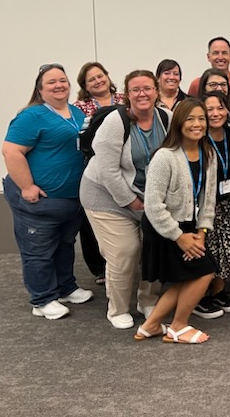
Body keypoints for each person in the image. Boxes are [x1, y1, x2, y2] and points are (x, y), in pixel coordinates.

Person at [2, 63, 93, 320]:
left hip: (70, 200)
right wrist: (27, 187)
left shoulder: (76, 112)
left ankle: (65, 288)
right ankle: (42, 299)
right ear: (40, 89)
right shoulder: (31, 116)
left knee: (65, 245)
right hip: (39, 201)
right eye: (51, 82)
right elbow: (11, 151)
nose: (59, 85)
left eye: (62, 80)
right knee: (38, 251)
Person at [79, 70, 167, 329]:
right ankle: (117, 309)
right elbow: (108, 170)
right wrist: (131, 202)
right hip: (105, 195)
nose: (142, 94)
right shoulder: (115, 122)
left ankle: (147, 300)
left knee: (155, 246)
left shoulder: (167, 118)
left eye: (147, 88)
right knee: (125, 250)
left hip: (147, 196)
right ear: (127, 94)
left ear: (156, 91)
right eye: (135, 89)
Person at [139, 98, 219, 344]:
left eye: (201, 119)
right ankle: (178, 326)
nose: (197, 124)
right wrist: (179, 237)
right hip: (163, 229)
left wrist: (202, 233)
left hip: (190, 228)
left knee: (190, 276)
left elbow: (208, 200)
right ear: (179, 123)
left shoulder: (209, 154)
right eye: (190, 119)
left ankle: (151, 325)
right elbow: (153, 206)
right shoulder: (164, 157)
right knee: (205, 271)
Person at [74, 61, 125, 285]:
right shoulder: (78, 108)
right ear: (85, 85)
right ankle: (99, 268)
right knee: (92, 219)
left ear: (107, 76)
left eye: (100, 76)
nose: (98, 81)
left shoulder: (124, 100)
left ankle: (125, 262)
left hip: (124, 164)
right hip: (92, 166)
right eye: (91, 79)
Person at [193, 91, 230, 317]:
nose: (215, 113)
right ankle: (200, 297)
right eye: (209, 109)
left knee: (229, 249)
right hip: (203, 203)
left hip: (227, 201)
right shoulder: (197, 137)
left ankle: (218, 292)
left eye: (220, 108)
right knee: (207, 250)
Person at [188, 37, 230, 118]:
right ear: (208, 57)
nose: (220, 57)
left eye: (224, 53)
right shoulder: (197, 84)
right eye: (216, 53)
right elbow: (189, 110)